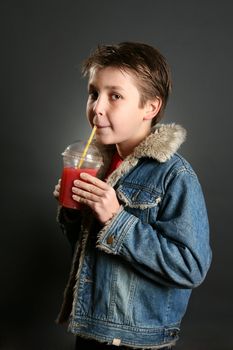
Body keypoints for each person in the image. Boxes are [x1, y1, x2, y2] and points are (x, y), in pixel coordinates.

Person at [53, 42, 212, 349]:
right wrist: (73, 212)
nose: (97, 107)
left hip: (134, 340)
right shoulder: (98, 164)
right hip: (90, 328)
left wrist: (116, 218)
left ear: (150, 107)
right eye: (93, 92)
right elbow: (91, 253)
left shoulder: (174, 175)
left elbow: (191, 268)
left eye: (115, 96)